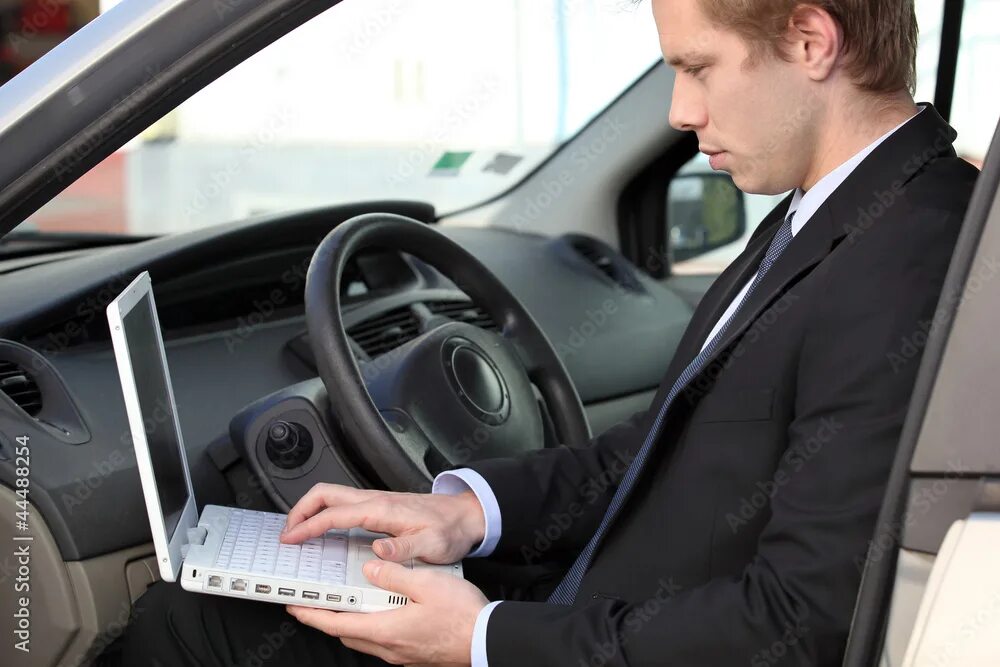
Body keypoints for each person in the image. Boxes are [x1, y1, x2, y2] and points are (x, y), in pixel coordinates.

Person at [114, 0, 980, 665]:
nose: (681, 110)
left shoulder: (906, 254)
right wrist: (461, 512)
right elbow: (651, 451)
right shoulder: (825, 211)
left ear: (810, 41)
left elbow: (800, 622)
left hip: (574, 641)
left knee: (190, 626)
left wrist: (486, 638)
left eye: (698, 67)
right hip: (576, 616)